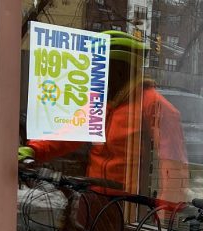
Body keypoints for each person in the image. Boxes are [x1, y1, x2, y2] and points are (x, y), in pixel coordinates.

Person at [19, 30, 188, 204]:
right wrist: (34, 150)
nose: (95, 78)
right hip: (94, 197)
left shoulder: (152, 104)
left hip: (128, 204)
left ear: (122, 71)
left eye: (101, 71)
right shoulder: (101, 101)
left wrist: (168, 207)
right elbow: (70, 134)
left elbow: (173, 161)